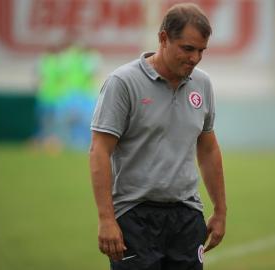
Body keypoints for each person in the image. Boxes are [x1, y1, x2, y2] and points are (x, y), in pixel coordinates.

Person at [89, 3, 226, 269]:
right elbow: (99, 151)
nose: (195, 58)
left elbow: (208, 149)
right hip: (134, 216)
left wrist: (220, 211)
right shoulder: (123, 82)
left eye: (201, 50)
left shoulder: (203, 84)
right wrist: (106, 218)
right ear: (163, 38)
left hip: (187, 216)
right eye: (188, 49)